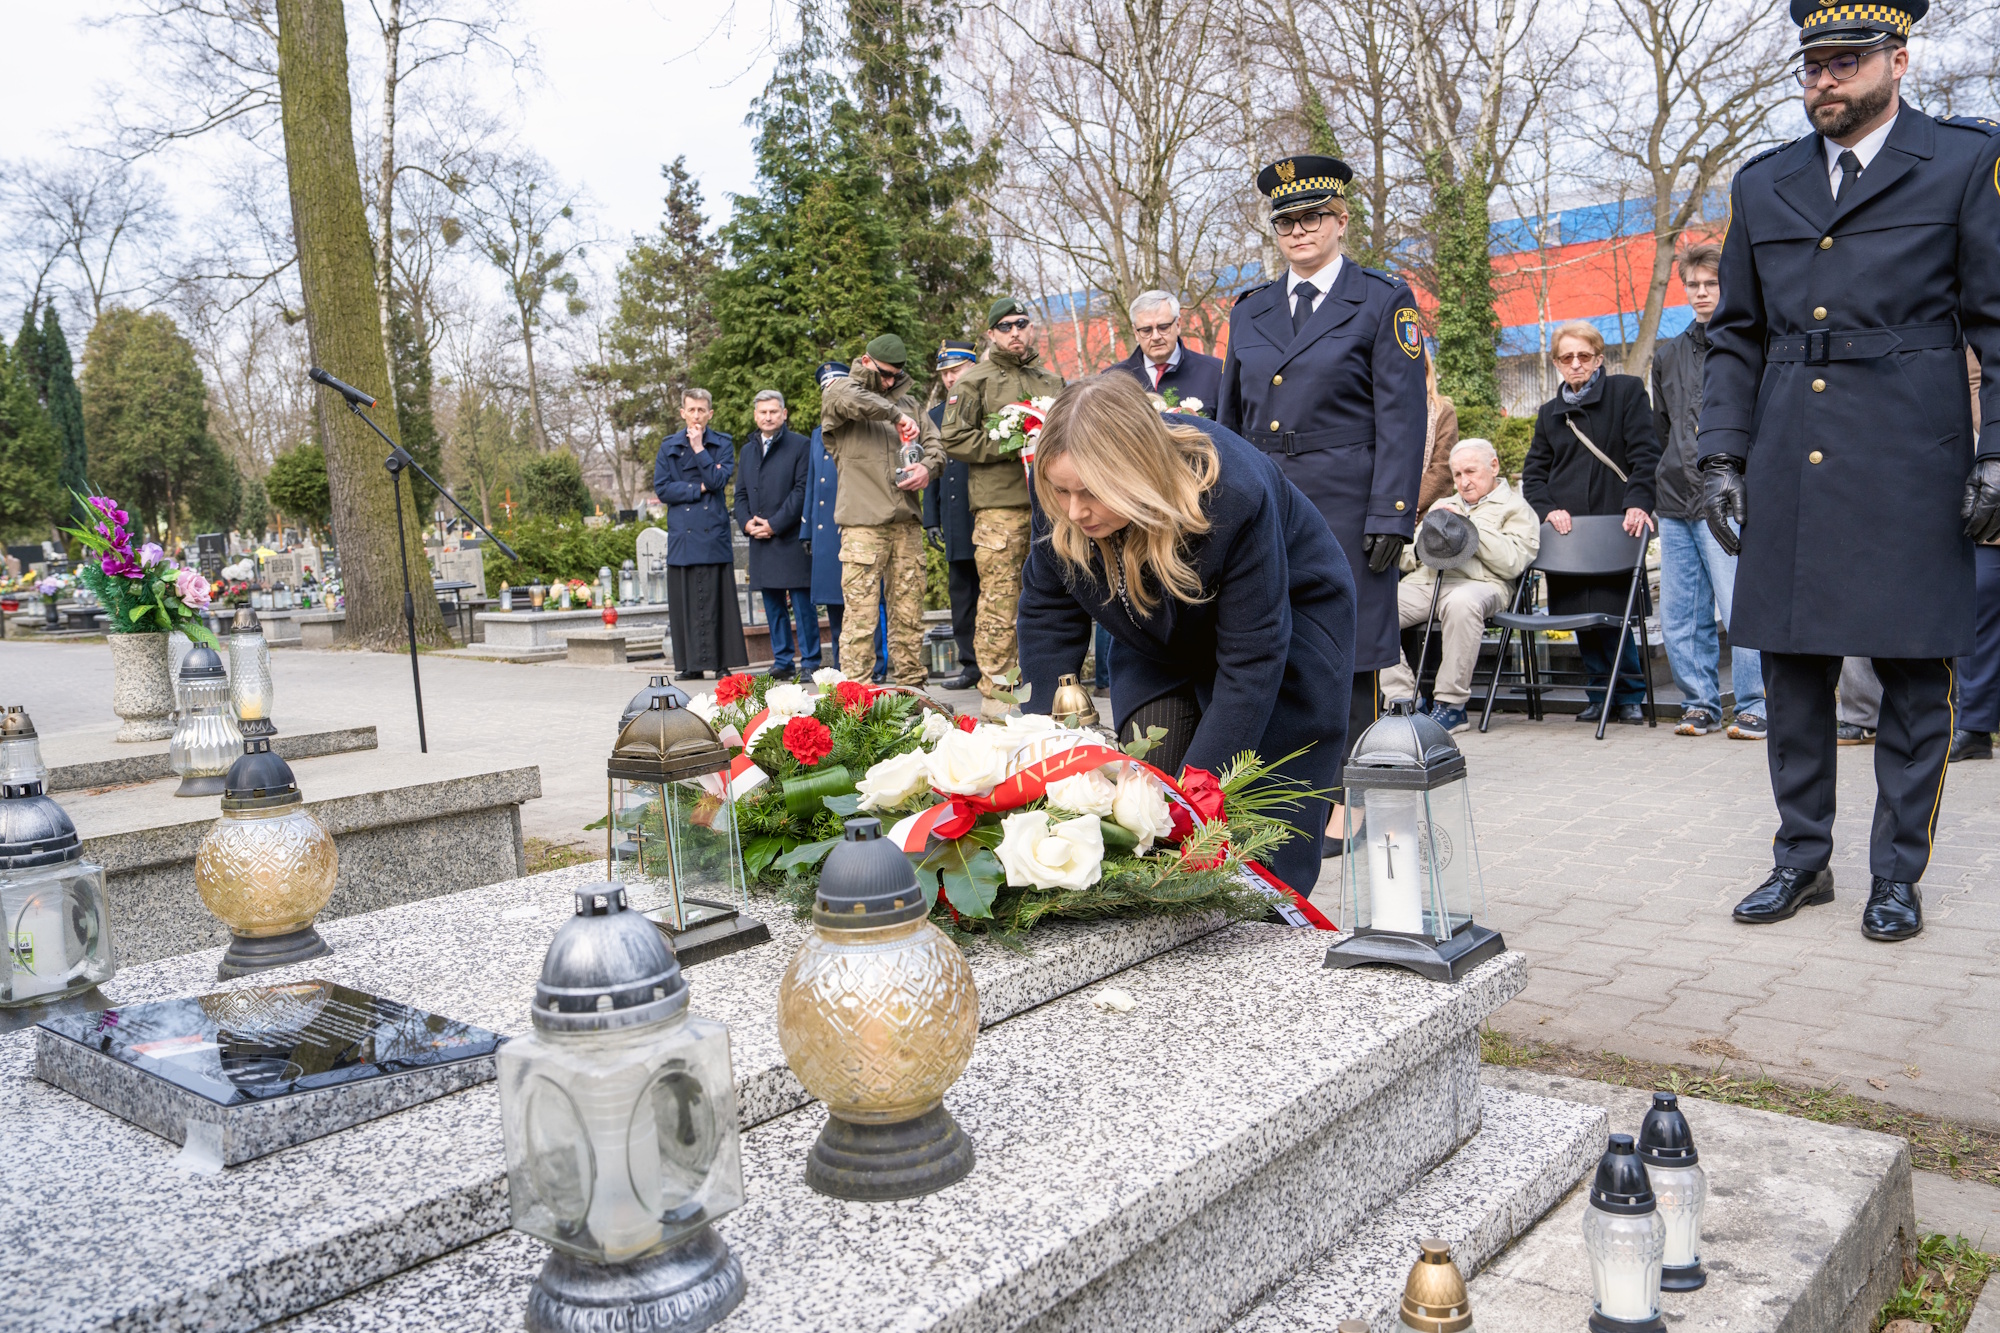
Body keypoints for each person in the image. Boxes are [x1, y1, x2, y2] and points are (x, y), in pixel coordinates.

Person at [1697, 0, 2000, 943]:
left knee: (1914, 677)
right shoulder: (1765, 183)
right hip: (1792, 455)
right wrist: (1721, 454)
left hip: (1913, 455)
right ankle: (1801, 861)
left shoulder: (1961, 163)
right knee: (1792, 673)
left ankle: (1896, 875)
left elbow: (1996, 321)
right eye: (1811, 64)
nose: (1820, 80)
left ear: (1897, 61)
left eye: (1841, 62)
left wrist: (1998, 453)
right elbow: (1737, 334)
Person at [1017, 372, 1357, 896]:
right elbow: (1046, 609)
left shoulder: (1232, 493)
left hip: (1285, 633)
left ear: (1136, 473)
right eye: (1061, 492)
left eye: (1090, 493)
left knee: (1253, 824)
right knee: (1143, 805)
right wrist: (1044, 738)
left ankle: (1260, 947)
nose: (1074, 511)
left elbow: (1252, 660)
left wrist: (1201, 788)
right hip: (1159, 629)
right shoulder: (1064, 486)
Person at [1216, 153, 1427, 856]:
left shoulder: (1379, 301)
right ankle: (1273, 789)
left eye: (1313, 217)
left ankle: (1345, 799)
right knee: (1263, 637)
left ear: (1339, 221)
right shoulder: (1249, 310)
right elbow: (1227, 421)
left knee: (1354, 654)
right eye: (1287, 221)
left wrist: (1394, 513)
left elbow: (1402, 416)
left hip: (1346, 498)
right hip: (1265, 501)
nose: (1300, 231)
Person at [1521, 321, 1661, 723]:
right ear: (1557, 363)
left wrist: (1637, 503)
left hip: (1614, 524)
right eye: (1567, 357)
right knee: (1580, 617)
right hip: (1569, 533)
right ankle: (1600, 694)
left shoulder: (1626, 392)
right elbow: (1534, 474)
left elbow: (1644, 455)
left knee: (1613, 616)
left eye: (1584, 356)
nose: (1576, 364)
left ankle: (1630, 694)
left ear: (1599, 358)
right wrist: (1549, 509)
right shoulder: (1549, 414)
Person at [1652, 243, 1766, 740]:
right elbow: (1664, 427)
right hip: (1675, 500)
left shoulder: (1749, 345)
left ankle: (1756, 704)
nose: (1701, 293)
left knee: (1740, 609)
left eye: (1711, 284)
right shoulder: (1668, 353)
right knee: (1681, 615)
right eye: (1693, 285)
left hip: (1728, 498)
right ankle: (1699, 704)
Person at [940, 297, 1066, 716]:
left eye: (1022, 324)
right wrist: (1011, 443)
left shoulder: (1051, 380)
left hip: (1057, 505)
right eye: (1005, 326)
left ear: (1031, 329)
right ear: (991, 334)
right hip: (1001, 508)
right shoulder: (974, 381)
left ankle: (1058, 691)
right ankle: (997, 701)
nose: (1015, 332)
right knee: (1000, 601)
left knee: (1060, 595)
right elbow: (953, 439)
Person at [1379, 439, 1541, 732]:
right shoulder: (1445, 505)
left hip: (1483, 585)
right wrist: (1425, 541)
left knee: (1461, 602)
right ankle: (1404, 700)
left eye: (1470, 472)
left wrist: (1467, 527)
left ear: (1493, 466)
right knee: (1375, 606)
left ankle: (1451, 706)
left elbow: (1513, 563)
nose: (1464, 482)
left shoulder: (1516, 507)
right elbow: (1406, 558)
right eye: (1457, 475)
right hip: (1428, 582)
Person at [821, 334, 941, 685]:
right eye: (885, 373)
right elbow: (849, 398)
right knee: (860, 618)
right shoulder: (841, 393)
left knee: (909, 616)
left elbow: (935, 446)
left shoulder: (912, 403)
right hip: (862, 526)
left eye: (896, 375)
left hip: (906, 526)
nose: (890, 381)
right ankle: (855, 699)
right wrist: (894, 415)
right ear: (867, 361)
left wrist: (927, 468)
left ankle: (912, 693)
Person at [802, 362, 888, 681]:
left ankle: (876, 666)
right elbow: (814, 484)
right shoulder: (817, 433)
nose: (831, 394)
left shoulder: (863, 425)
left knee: (865, 599)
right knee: (834, 603)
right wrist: (807, 529)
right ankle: (842, 666)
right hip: (826, 530)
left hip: (857, 523)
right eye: (826, 389)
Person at [654, 388, 747, 680]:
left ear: (710, 413)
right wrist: (698, 489)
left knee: (719, 600)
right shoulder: (668, 446)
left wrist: (699, 449)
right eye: (691, 410)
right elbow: (663, 489)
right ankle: (690, 664)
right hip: (683, 535)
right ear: (682, 412)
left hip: (712, 534)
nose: (696, 415)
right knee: (685, 602)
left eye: (701, 410)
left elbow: (718, 479)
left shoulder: (721, 444)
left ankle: (722, 663)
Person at [735, 389, 816, 680]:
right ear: (755, 416)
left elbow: (801, 491)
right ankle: (782, 660)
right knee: (772, 603)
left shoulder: (801, 445)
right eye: (762, 412)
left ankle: (810, 660)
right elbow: (740, 492)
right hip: (759, 539)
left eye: (773, 411)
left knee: (802, 604)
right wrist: (746, 524)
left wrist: (774, 524)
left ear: (784, 414)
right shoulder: (748, 450)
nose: (767, 417)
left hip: (789, 537)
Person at [923, 341, 984, 690]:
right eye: (945, 373)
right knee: (962, 595)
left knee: (997, 592)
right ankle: (970, 665)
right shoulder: (934, 417)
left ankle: (1006, 666)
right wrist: (931, 518)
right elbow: (930, 470)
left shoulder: (989, 406)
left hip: (988, 512)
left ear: (972, 368)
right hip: (956, 519)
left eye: (955, 370)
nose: (949, 378)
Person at [1110, 290, 1223, 414]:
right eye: (1146, 330)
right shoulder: (1113, 381)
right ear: (1136, 333)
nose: (1156, 336)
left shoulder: (1216, 374)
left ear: (1178, 325)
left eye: (1163, 327)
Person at [1417, 354, 1460, 516]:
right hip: (1382, 513)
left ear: (1427, 372)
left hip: (1426, 511)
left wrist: (1406, 507)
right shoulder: (1378, 413)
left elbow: (1443, 468)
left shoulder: (1443, 412)